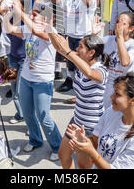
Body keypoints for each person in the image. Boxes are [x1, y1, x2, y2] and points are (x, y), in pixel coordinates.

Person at [65, 72, 134, 169]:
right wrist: (82, 142)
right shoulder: (112, 112)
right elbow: (96, 143)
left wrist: (92, 152)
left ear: (133, 100)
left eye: (117, 94)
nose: (111, 96)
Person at [4, 0, 63, 161]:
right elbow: (9, 28)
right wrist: (7, 13)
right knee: (28, 114)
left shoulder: (51, 31)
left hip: (43, 81)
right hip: (26, 79)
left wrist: (19, 12)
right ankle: (35, 140)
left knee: (44, 116)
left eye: (35, 14)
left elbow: (37, 32)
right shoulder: (28, 29)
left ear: (45, 19)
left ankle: (57, 146)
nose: (31, 16)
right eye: (32, 13)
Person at [48, 32, 109, 169]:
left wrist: (68, 51)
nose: (76, 49)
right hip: (77, 120)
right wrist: (49, 30)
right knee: (63, 155)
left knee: (83, 166)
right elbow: (59, 49)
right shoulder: (81, 61)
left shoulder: (101, 70)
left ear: (91, 52)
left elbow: (89, 73)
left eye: (80, 46)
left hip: (90, 127)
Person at [102, 11, 134, 110]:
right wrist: (92, 34)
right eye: (117, 21)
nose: (118, 25)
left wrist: (119, 38)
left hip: (123, 93)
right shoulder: (107, 40)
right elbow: (89, 52)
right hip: (105, 91)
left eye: (123, 23)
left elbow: (125, 62)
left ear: (131, 29)